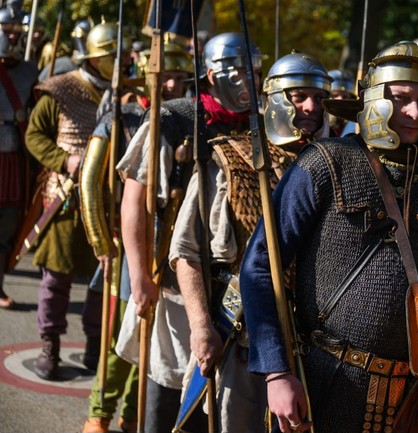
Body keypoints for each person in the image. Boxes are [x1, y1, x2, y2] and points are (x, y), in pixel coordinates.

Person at [240, 40, 418, 433]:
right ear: (373, 99)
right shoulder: (325, 162)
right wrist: (277, 372)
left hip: (415, 394)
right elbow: (260, 266)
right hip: (326, 382)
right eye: (401, 98)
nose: (414, 113)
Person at [169, 51, 332, 433]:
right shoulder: (229, 159)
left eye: (319, 98)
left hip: (314, 344)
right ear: (275, 99)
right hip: (240, 336)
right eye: (299, 97)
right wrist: (201, 326)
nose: (312, 107)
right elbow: (187, 251)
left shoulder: (338, 164)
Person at [114, 32, 262, 433]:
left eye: (255, 71)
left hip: (235, 291)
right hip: (175, 279)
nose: (250, 81)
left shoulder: (263, 125)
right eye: (240, 72)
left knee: (217, 399)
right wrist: (139, 275)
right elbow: (136, 201)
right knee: (170, 386)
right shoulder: (174, 117)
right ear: (212, 75)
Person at [79, 39, 194, 433]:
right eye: (166, 77)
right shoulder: (122, 117)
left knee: (156, 345)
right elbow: (90, 183)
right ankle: (99, 413)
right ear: (149, 78)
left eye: (180, 78)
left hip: (173, 247)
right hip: (128, 244)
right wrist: (102, 242)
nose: (173, 86)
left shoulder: (186, 121)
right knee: (123, 336)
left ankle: (132, 414)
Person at [24, 20, 120, 381]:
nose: (120, 60)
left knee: (101, 277)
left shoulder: (126, 93)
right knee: (57, 277)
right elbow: (35, 135)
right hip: (65, 199)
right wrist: (65, 161)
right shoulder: (60, 89)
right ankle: (49, 343)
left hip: (109, 201)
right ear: (94, 57)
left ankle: (95, 342)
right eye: (112, 54)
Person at [0, 6, 37, 309]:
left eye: (17, 30)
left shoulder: (30, 71)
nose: (13, 35)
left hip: (14, 160)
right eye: (7, 29)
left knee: (8, 225)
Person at [327, 69, 356, 137]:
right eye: (335, 95)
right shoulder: (316, 121)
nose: (340, 99)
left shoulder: (355, 125)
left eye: (345, 96)